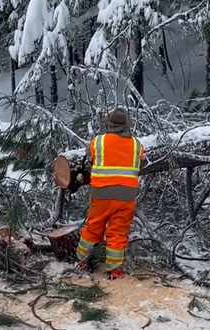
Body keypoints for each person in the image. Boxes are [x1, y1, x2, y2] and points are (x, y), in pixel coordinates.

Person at [76, 108, 144, 280]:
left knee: (93, 228)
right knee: (118, 232)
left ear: (109, 125)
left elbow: (89, 158)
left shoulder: (98, 141)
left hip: (101, 194)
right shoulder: (137, 144)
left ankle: (81, 262)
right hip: (126, 196)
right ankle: (114, 270)